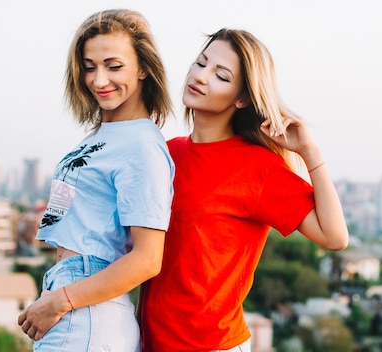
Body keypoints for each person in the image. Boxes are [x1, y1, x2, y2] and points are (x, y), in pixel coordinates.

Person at [140, 28, 349, 351]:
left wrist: (309, 152)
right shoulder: (165, 153)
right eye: (201, 63)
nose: (201, 76)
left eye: (221, 75)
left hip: (212, 345)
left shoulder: (257, 167)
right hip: (150, 341)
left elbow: (335, 237)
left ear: (242, 98)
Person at [17, 9, 174, 352]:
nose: (99, 80)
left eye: (114, 66)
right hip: (72, 298)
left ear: (143, 68)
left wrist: (60, 301)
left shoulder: (141, 144)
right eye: (90, 67)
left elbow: (148, 258)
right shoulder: (103, 137)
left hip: (84, 307)